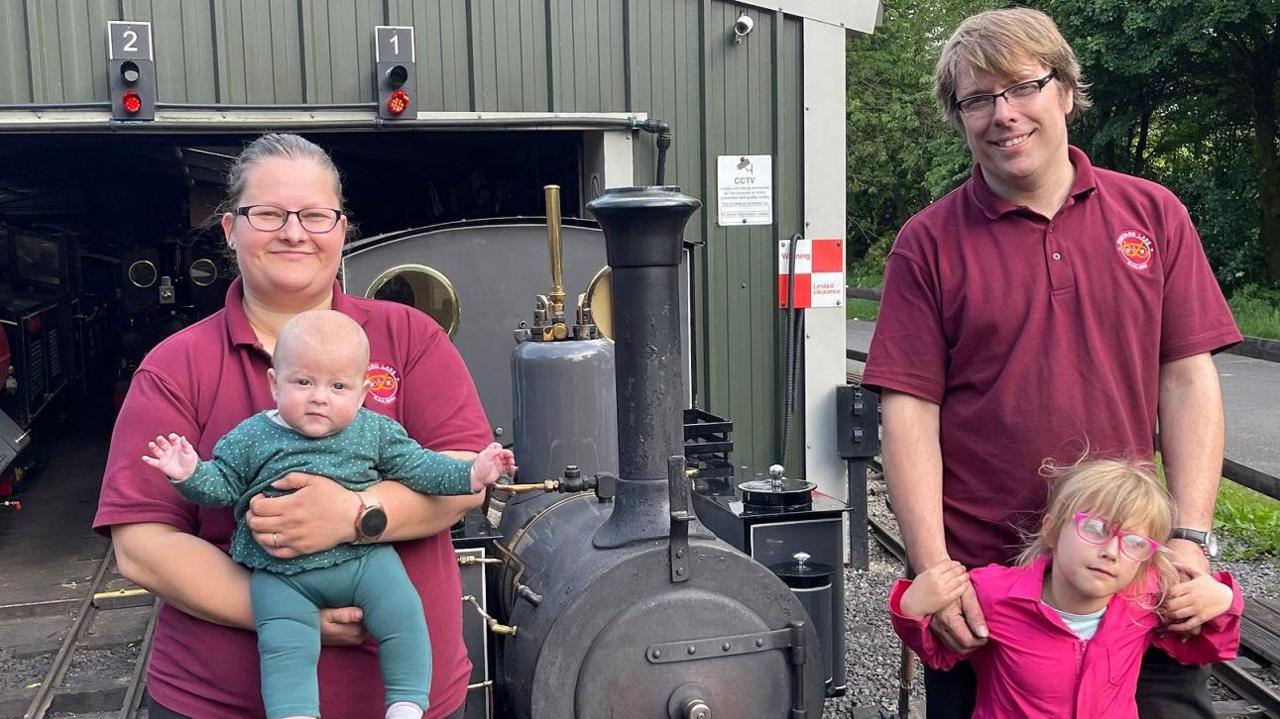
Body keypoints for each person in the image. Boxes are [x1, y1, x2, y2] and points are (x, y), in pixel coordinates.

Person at [860, 8, 1243, 717]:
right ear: (961, 117)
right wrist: (933, 566)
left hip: (1130, 572)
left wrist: (1190, 535)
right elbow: (909, 409)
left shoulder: (1154, 215)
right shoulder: (928, 243)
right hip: (989, 596)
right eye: (978, 99)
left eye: (1023, 87)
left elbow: (1188, 378)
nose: (1003, 115)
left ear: (1065, 91)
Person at [95, 133, 493, 719]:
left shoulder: (409, 337)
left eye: (315, 214)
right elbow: (142, 547)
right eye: (268, 214)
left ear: (342, 229)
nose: (293, 231)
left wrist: (355, 516)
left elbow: (465, 477)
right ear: (230, 230)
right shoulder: (176, 365)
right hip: (217, 703)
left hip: (407, 700)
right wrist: (287, 609)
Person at [141, 310, 516, 719]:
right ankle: (294, 712)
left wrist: (472, 473)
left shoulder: (374, 431)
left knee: (404, 612)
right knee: (284, 643)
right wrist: (188, 473)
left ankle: (407, 701)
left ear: (361, 394)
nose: (319, 396)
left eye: (337, 386)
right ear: (274, 384)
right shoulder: (250, 436)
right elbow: (222, 485)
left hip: (363, 561)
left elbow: (422, 468)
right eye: (303, 382)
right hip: (280, 571)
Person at [889, 458, 1242, 719]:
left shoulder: (1146, 601)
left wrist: (1224, 599)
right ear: (1052, 531)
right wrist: (911, 610)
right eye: (1094, 528)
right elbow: (942, 652)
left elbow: (1201, 646)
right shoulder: (995, 595)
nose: (1110, 550)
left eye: (1133, 542)